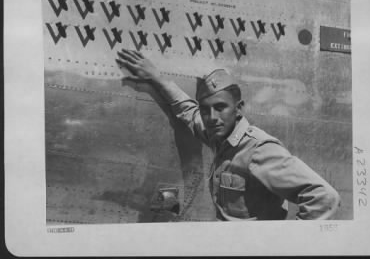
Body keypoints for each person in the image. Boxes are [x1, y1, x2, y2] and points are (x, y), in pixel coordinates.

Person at [116, 49, 341, 220]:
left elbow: (324, 197)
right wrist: (156, 77)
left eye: (220, 107)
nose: (212, 116)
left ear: (239, 108)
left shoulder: (258, 149)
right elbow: (187, 109)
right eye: (206, 109)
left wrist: (284, 244)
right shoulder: (218, 136)